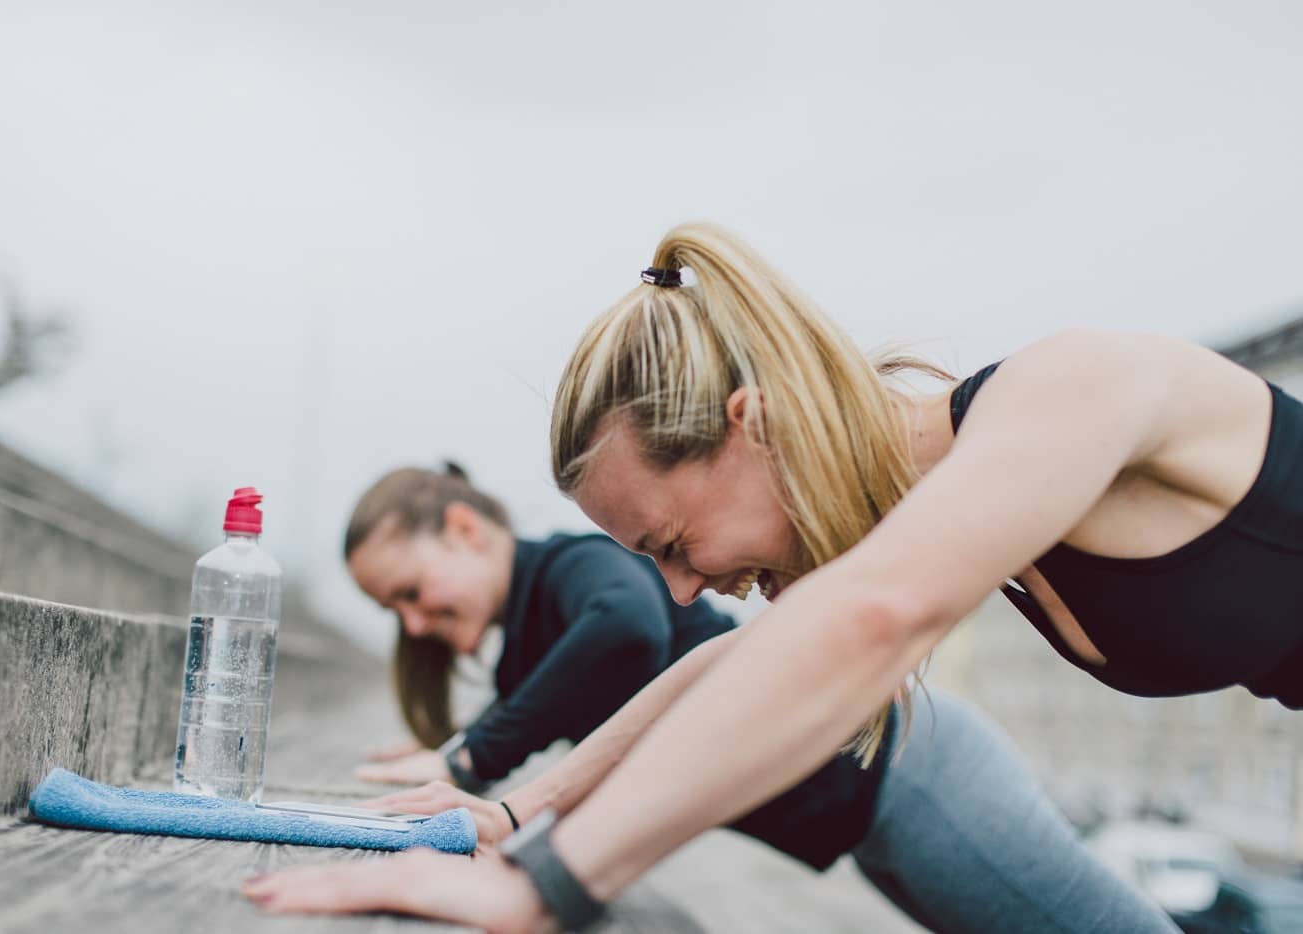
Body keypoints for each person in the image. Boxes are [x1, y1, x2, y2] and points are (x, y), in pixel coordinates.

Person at [245, 221, 1301, 930]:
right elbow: (730, 667)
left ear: (753, 425)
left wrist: (544, 888)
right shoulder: (935, 504)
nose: (677, 591)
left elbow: (871, 619)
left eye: (670, 543)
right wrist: (519, 817)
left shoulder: (1075, 387)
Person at [247, 462, 1174, 931]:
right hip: (871, 829)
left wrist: (473, 758)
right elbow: (647, 730)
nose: (413, 622)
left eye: (412, 591)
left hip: (915, 781)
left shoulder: (571, 569)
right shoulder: (529, 648)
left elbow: (628, 631)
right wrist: (489, 803)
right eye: (394, 612)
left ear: (464, 529)